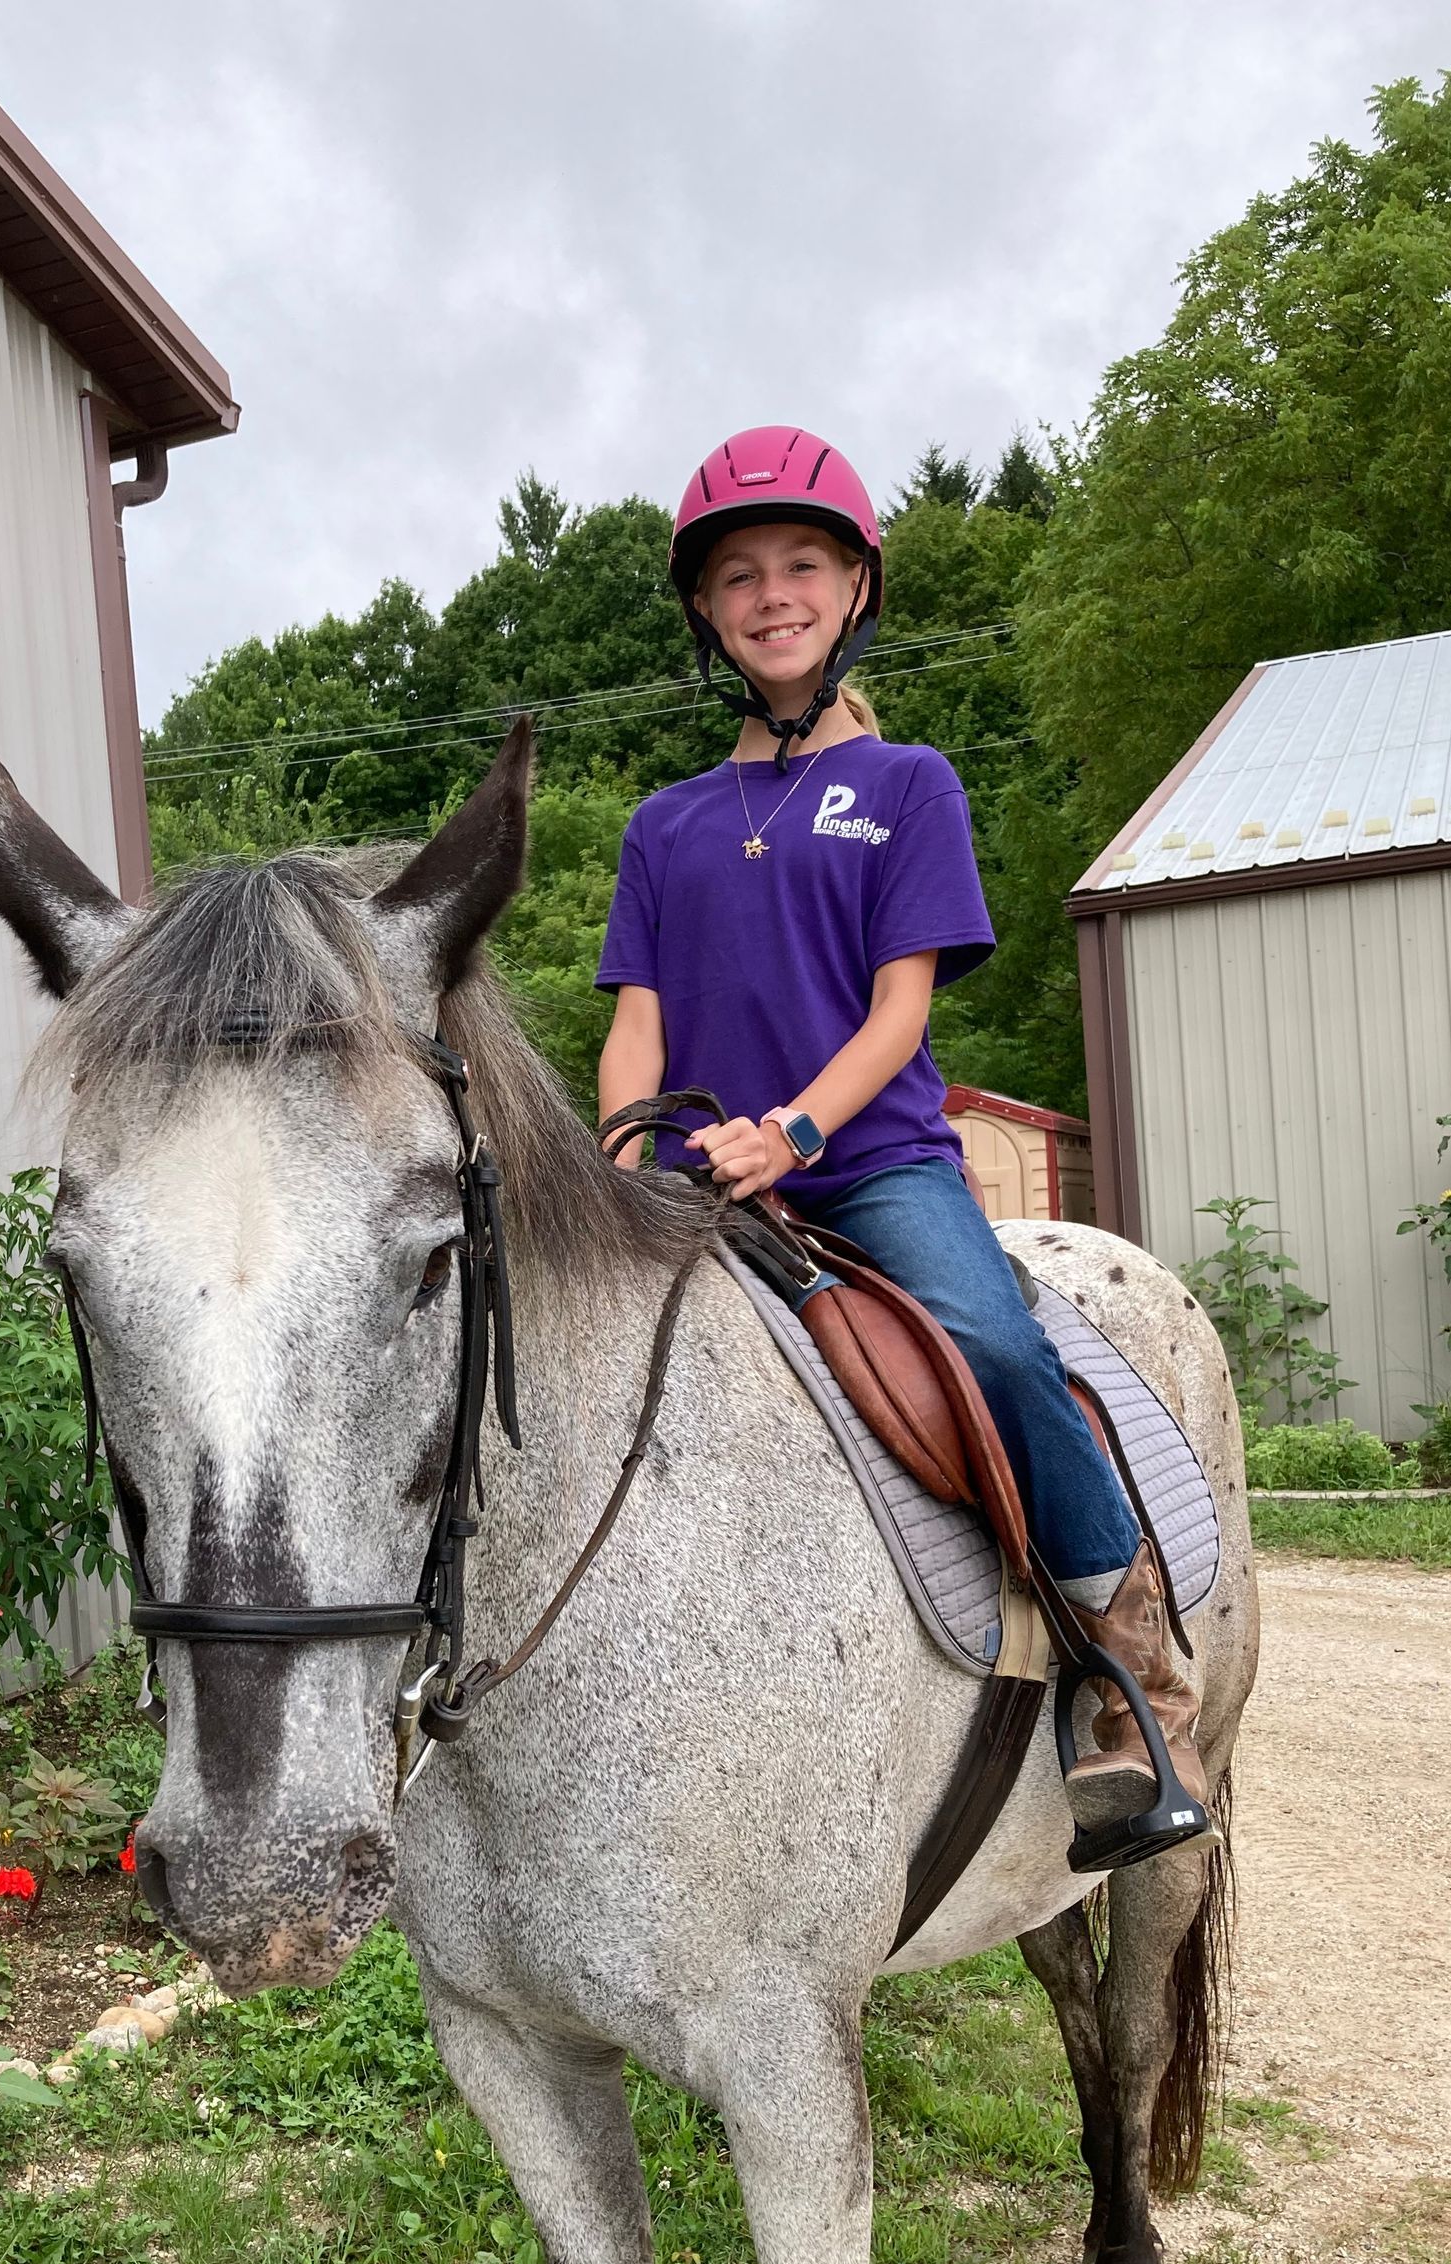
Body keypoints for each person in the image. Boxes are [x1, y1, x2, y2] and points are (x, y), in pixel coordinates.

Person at [594, 424, 1208, 1838]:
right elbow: (636, 1021)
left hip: (866, 1168)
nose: (771, 593)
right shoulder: (663, 824)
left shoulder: (910, 784)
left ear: (857, 582)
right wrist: (619, 1163)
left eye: (802, 563)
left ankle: (1131, 1664)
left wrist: (794, 1133)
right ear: (704, 608)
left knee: (993, 1340)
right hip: (694, 1180)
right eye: (739, 574)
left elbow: (897, 1014)